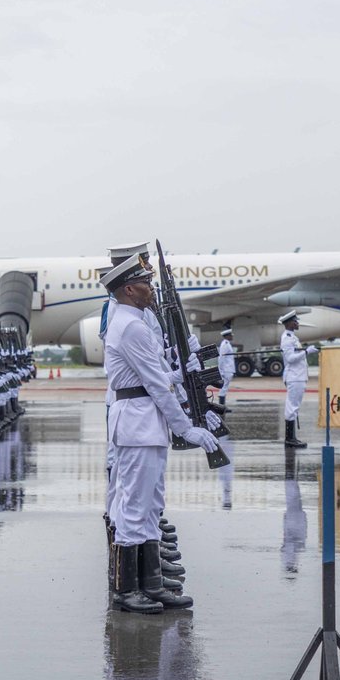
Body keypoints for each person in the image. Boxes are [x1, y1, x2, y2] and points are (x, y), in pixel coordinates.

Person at [101, 252, 217, 614]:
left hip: (144, 421)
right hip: (138, 423)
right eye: (146, 283)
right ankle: (126, 591)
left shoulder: (132, 319)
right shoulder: (131, 325)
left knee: (150, 507)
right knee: (134, 510)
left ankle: (151, 585)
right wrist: (187, 428)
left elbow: (152, 377)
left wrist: (180, 376)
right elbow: (153, 384)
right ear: (131, 289)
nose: (151, 287)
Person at [279, 310, 317, 448]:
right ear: (289, 323)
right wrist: (306, 351)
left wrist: (304, 351)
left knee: (294, 406)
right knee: (292, 407)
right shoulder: (287, 339)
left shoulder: (292, 337)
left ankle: (292, 437)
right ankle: (289, 439)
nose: (297, 323)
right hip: (294, 377)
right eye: (295, 321)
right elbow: (290, 359)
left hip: (298, 376)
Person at [217, 327, 236, 408]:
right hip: (226, 370)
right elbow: (221, 358)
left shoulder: (227, 343)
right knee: (224, 388)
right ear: (227, 336)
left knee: (224, 388)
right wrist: (221, 370)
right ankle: (221, 407)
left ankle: (222, 406)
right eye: (231, 335)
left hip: (228, 369)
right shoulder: (225, 344)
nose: (232, 336)